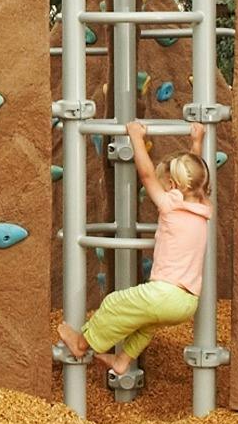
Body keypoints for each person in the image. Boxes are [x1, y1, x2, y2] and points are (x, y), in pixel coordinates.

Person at [55, 121, 211, 379]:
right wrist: (197, 142)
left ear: (172, 187)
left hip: (165, 294)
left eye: (165, 184)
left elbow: (147, 175)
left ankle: (83, 343)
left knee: (114, 303)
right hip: (187, 302)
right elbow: (199, 178)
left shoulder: (171, 206)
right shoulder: (205, 206)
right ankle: (122, 361)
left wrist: (136, 138)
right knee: (146, 326)